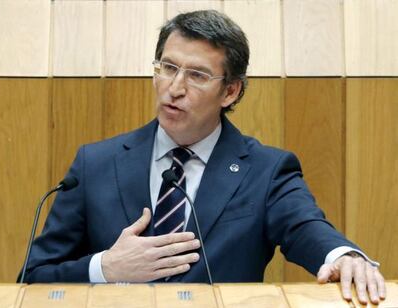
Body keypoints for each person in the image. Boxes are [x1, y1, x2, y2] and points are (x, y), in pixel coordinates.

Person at [22, 10, 385, 305]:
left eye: (196, 75)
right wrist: (105, 268)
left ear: (230, 91)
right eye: (167, 67)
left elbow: (304, 227)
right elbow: (32, 278)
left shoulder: (266, 170)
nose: (175, 88)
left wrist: (342, 256)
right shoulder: (95, 164)